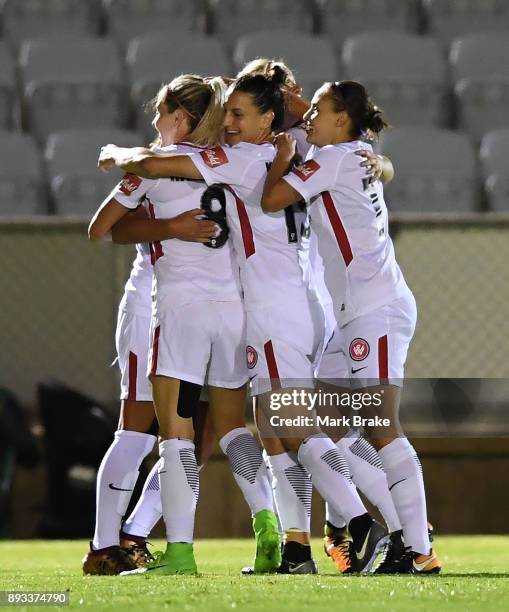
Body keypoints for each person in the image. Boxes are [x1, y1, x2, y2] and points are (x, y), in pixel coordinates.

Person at [98, 69, 389, 574]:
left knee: (290, 426)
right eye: (226, 113)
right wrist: (379, 159)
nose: (228, 122)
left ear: (264, 119)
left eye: (239, 114)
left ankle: (364, 522)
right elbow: (330, 134)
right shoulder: (298, 149)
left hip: (267, 309)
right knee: (272, 427)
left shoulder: (238, 158)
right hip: (296, 304)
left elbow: (151, 164)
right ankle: (296, 546)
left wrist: (116, 155)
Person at [94, 74, 279, 577]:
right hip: (237, 311)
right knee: (229, 428)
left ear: (180, 115)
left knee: (171, 433)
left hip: (175, 310)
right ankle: (271, 530)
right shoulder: (239, 159)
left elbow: (100, 227)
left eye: (161, 111)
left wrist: (119, 155)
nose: (154, 121)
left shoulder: (159, 165)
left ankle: (168, 551)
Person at [260, 80, 441, 575]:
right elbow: (380, 164)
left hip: (374, 309)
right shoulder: (353, 151)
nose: (311, 116)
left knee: (383, 426)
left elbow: (274, 197)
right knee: (332, 428)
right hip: (353, 315)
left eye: (319, 110)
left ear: (342, 119)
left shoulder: (336, 157)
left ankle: (418, 546)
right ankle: (401, 527)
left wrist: (280, 156)